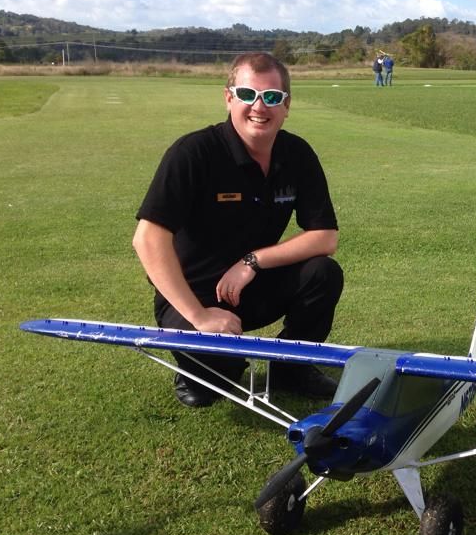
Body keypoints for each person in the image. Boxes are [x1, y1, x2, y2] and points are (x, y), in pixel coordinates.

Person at [133, 52, 343, 407]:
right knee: (213, 385)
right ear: (229, 97)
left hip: (252, 287)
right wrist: (199, 316)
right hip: (191, 297)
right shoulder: (193, 152)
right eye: (248, 95)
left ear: (287, 106)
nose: (259, 107)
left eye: (272, 97)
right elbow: (148, 239)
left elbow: (325, 237)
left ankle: (290, 368)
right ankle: (203, 370)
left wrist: (252, 261)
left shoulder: (297, 154)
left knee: (323, 273)